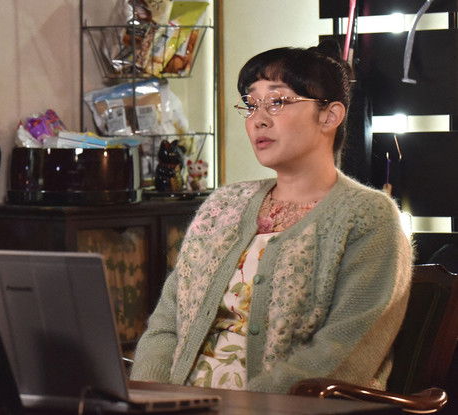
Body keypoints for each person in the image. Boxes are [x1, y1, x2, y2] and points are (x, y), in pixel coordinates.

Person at [130, 42, 412, 393]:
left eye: (277, 101)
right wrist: (148, 396)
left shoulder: (368, 216)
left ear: (329, 116)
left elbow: (345, 350)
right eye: (251, 104)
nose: (258, 119)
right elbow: (166, 323)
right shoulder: (224, 204)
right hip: (181, 403)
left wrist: (252, 405)